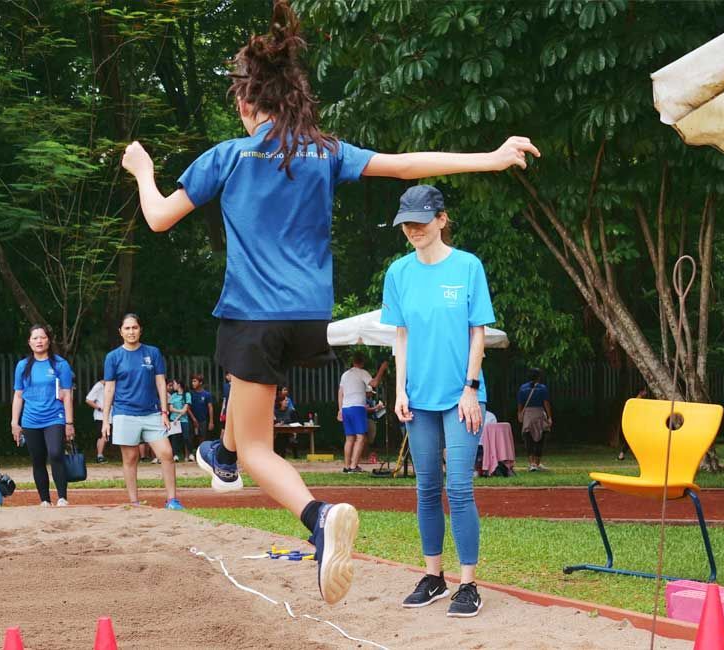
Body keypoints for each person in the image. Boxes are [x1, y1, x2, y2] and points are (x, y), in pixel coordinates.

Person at [120, 0, 538, 604]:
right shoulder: (324, 151)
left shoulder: (228, 157)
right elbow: (404, 167)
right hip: (308, 320)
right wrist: (491, 158)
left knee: (260, 445)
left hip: (252, 315)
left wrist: (142, 169)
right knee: (239, 417)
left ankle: (318, 517)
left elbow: (158, 217)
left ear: (245, 103)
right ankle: (222, 452)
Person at [383, 184, 496, 618]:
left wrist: (470, 387)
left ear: (442, 220)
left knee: (459, 487)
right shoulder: (398, 273)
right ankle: (433, 577)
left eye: (421, 221)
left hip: (461, 396)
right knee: (426, 487)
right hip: (418, 398)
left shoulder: (468, 267)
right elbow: (402, 335)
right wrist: (399, 390)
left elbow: (477, 331)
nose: (413, 229)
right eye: (406, 223)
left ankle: (468, 585)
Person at [100, 314, 183, 510]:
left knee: (167, 453)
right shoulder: (113, 357)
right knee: (131, 458)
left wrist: (164, 411)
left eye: (134, 328)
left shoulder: (152, 353)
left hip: (152, 413)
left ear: (140, 330)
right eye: (127, 328)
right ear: (120, 332)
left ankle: (172, 500)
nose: (131, 332)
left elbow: (161, 383)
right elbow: (109, 388)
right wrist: (105, 420)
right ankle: (134, 502)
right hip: (124, 413)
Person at [11, 324, 75, 507]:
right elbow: (18, 395)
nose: (39, 341)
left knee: (55, 453)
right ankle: (44, 500)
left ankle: (62, 497)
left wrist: (69, 423)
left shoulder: (60, 364)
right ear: (29, 342)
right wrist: (15, 422)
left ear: (49, 340)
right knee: (37, 459)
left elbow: (67, 394)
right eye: (35, 338)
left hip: (55, 417)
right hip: (31, 420)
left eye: (42, 337)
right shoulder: (22, 366)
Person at [337, 353, 377, 473]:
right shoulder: (362, 372)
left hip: (346, 408)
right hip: (357, 407)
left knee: (349, 438)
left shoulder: (345, 375)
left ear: (353, 362)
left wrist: (340, 409)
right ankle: (354, 466)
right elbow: (374, 384)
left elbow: (340, 393)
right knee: (361, 437)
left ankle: (346, 466)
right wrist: (382, 369)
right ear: (362, 362)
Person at [517, 368, 552, 472]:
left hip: (527, 414)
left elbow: (520, 403)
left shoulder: (522, 388)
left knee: (528, 438)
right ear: (539, 377)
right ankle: (537, 462)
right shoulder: (542, 388)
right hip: (539, 413)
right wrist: (549, 417)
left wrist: (519, 414)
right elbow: (546, 403)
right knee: (540, 438)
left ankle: (531, 463)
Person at [167, 377, 195, 462]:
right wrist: (179, 412)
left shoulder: (187, 395)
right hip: (173, 420)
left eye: (174, 384)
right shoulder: (173, 396)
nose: (173, 386)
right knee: (175, 438)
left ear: (179, 385)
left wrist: (178, 417)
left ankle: (190, 454)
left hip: (183, 420)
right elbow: (171, 408)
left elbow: (185, 410)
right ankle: (175, 455)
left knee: (186, 437)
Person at [85, 379, 109, 463]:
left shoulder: (111, 385)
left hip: (109, 415)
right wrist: (99, 408)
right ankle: (99, 455)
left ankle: (100, 455)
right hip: (101, 416)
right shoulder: (99, 386)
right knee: (103, 435)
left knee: (103, 436)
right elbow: (88, 400)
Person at [189, 373, 216, 443]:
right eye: (192, 381)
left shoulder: (207, 394)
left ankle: (200, 452)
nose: (193, 383)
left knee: (202, 438)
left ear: (200, 382)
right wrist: (194, 419)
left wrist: (211, 421)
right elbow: (188, 408)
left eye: (195, 381)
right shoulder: (190, 394)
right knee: (190, 438)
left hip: (203, 420)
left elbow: (210, 407)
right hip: (191, 420)